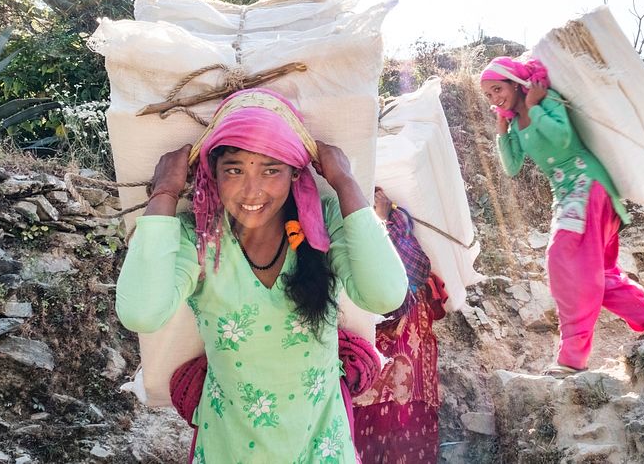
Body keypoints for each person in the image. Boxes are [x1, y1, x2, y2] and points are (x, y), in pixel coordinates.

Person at [116, 88, 407, 464]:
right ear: (213, 175)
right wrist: (166, 191)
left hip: (320, 445)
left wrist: (346, 181)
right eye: (234, 170)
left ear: (294, 174)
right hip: (230, 447)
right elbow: (140, 312)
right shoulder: (199, 238)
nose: (252, 190)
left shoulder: (323, 220)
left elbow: (384, 294)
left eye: (271, 169)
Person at [480, 57, 644, 377]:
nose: (494, 98)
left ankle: (572, 356)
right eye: (488, 95)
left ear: (516, 83)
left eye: (497, 89)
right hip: (567, 196)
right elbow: (511, 166)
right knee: (600, 274)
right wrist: (502, 130)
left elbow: (564, 139)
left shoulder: (549, 100)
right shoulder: (515, 123)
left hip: (588, 185)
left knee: (562, 258)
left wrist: (537, 107)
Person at [353, 188, 447, 464]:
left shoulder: (397, 224)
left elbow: (418, 268)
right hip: (368, 351)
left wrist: (384, 220)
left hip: (403, 351)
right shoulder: (343, 229)